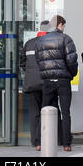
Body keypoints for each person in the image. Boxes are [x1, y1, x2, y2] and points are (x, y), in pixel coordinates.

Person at [35, 15, 78, 152]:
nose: (64, 28)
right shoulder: (66, 39)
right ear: (60, 24)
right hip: (63, 80)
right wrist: (71, 74)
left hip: (47, 81)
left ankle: (40, 142)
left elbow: (38, 60)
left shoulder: (40, 41)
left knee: (45, 110)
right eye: (63, 25)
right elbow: (71, 60)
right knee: (65, 112)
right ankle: (66, 144)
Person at [20, 20, 63, 151]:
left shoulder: (29, 43)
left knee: (34, 112)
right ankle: (57, 139)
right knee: (52, 110)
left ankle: (35, 141)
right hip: (47, 81)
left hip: (32, 83)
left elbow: (22, 63)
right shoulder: (52, 42)